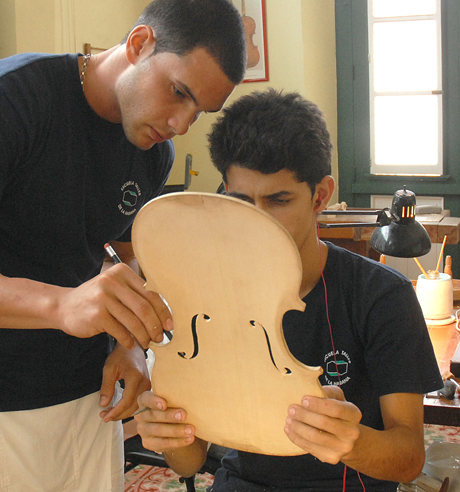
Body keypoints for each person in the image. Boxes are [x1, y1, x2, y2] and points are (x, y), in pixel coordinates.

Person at [0, 0, 247, 492]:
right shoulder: (4, 99)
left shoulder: (151, 152)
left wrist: (128, 346)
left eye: (199, 113)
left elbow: (126, 265)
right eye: (179, 93)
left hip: (88, 398)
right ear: (140, 43)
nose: (179, 124)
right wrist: (60, 305)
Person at [135, 89, 443, 492]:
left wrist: (352, 442)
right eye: (242, 201)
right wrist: (168, 434)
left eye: (278, 200)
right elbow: (190, 461)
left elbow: (408, 459)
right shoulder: (207, 298)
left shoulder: (382, 295)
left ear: (320, 195)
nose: (257, 222)